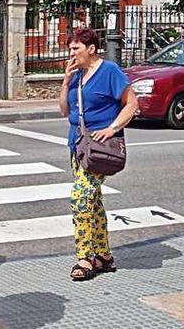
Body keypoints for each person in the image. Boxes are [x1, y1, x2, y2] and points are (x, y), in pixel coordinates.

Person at [58, 27, 137, 281]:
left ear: (91, 49)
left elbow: (132, 104)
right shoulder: (77, 75)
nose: (71, 53)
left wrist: (112, 128)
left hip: (99, 147)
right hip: (78, 144)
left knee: (81, 196)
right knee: (93, 199)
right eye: (70, 48)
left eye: (75, 48)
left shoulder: (109, 71)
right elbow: (63, 110)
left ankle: (85, 257)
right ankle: (103, 255)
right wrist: (65, 81)